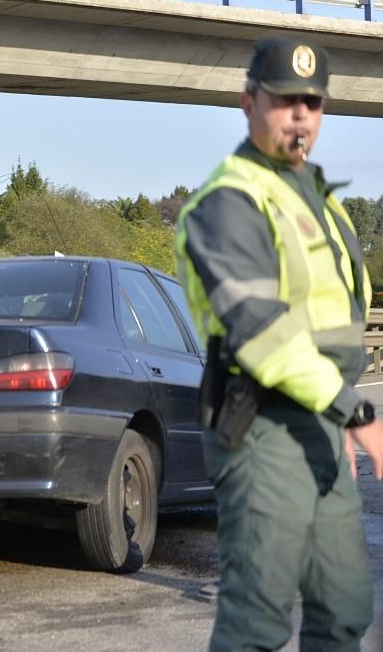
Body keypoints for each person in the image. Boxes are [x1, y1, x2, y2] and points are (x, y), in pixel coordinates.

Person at [175, 36, 383, 651]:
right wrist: (358, 412)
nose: (300, 115)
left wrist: (335, 412)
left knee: (344, 609)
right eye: (285, 100)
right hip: (261, 426)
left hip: (318, 420)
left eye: (312, 103)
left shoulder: (317, 198)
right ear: (248, 103)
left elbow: (338, 312)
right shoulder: (228, 203)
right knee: (257, 622)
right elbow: (264, 333)